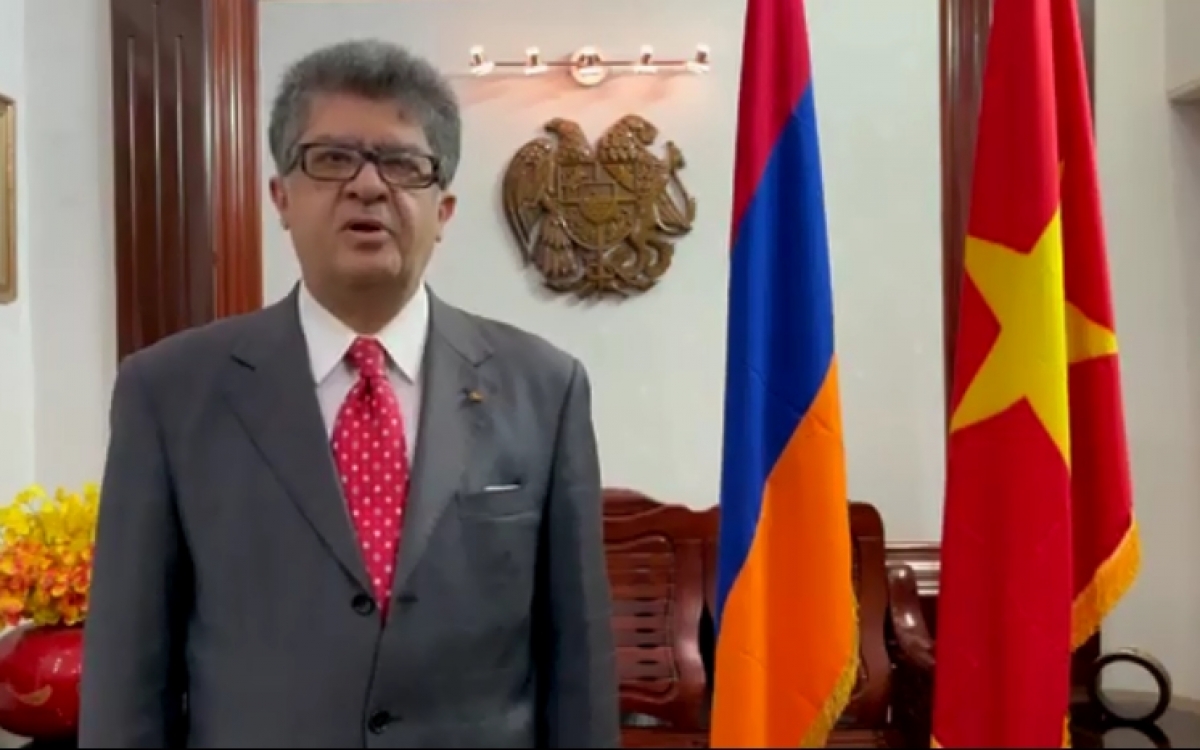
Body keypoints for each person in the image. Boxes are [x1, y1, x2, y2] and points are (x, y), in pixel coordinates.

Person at [80, 38, 620, 749]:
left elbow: (578, 665)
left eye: (402, 164)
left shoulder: (545, 388)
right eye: (332, 159)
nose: (368, 186)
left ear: (443, 210)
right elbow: (126, 676)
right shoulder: (168, 392)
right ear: (281, 197)